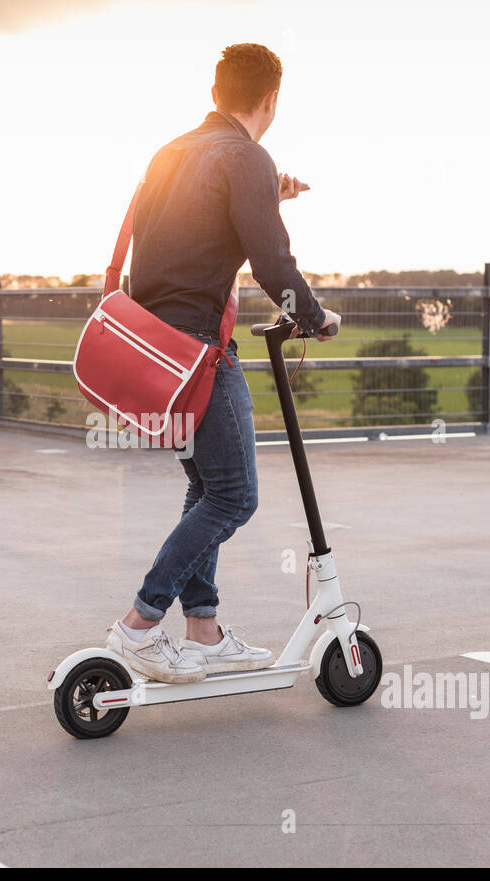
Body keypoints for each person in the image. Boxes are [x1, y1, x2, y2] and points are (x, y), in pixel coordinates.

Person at [106, 42, 342, 683]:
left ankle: (204, 630)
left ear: (215, 94)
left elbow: (192, 230)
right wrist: (315, 317)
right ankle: (139, 625)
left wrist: (266, 196)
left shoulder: (172, 153)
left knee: (206, 487)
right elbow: (271, 263)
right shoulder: (246, 156)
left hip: (152, 346)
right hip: (200, 351)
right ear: (273, 101)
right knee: (234, 497)